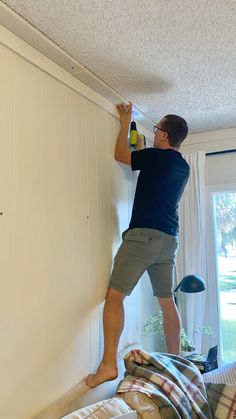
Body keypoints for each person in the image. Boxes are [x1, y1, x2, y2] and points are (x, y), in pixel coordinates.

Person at [85, 101, 190, 388]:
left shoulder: (156, 157)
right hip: (168, 241)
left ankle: (108, 365)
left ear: (165, 135)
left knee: (115, 297)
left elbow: (121, 155)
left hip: (143, 236)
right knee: (167, 303)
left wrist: (124, 121)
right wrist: (144, 151)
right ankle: (176, 364)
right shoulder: (182, 166)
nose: (155, 132)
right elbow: (152, 175)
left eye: (158, 129)